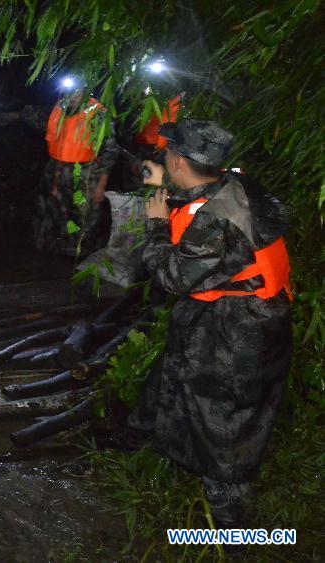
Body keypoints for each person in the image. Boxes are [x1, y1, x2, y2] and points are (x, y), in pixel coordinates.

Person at [127, 120, 292, 529]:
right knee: (176, 377)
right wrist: (165, 179)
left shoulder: (214, 223)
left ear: (180, 160)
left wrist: (155, 226)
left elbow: (171, 278)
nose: (163, 158)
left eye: (168, 154)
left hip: (237, 327)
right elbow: (200, 195)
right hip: (242, 312)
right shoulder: (236, 183)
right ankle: (139, 436)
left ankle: (232, 518)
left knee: (222, 409)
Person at [0, 81, 118, 255]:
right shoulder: (61, 107)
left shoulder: (98, 114)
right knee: (51, 209)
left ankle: (79, 253)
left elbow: (110, 152)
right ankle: (51, 248)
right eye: (67, 92)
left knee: (82, 217)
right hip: (55, 170)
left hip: (85, 174)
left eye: (76, 93)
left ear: (85, 91)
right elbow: (38, 117)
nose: (71, 97)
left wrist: (101, 185)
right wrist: (10, 116)